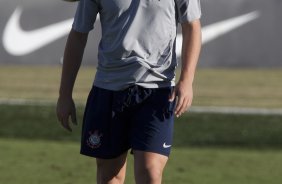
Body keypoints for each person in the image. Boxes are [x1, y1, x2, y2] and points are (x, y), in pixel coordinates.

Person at [56, 0, 202, 183]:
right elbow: (78, 34)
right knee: (110, 176)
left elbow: (192, 26)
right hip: (108, 88)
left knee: (150, 172)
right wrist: (64, 94)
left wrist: (187, 80)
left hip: (157, 89)